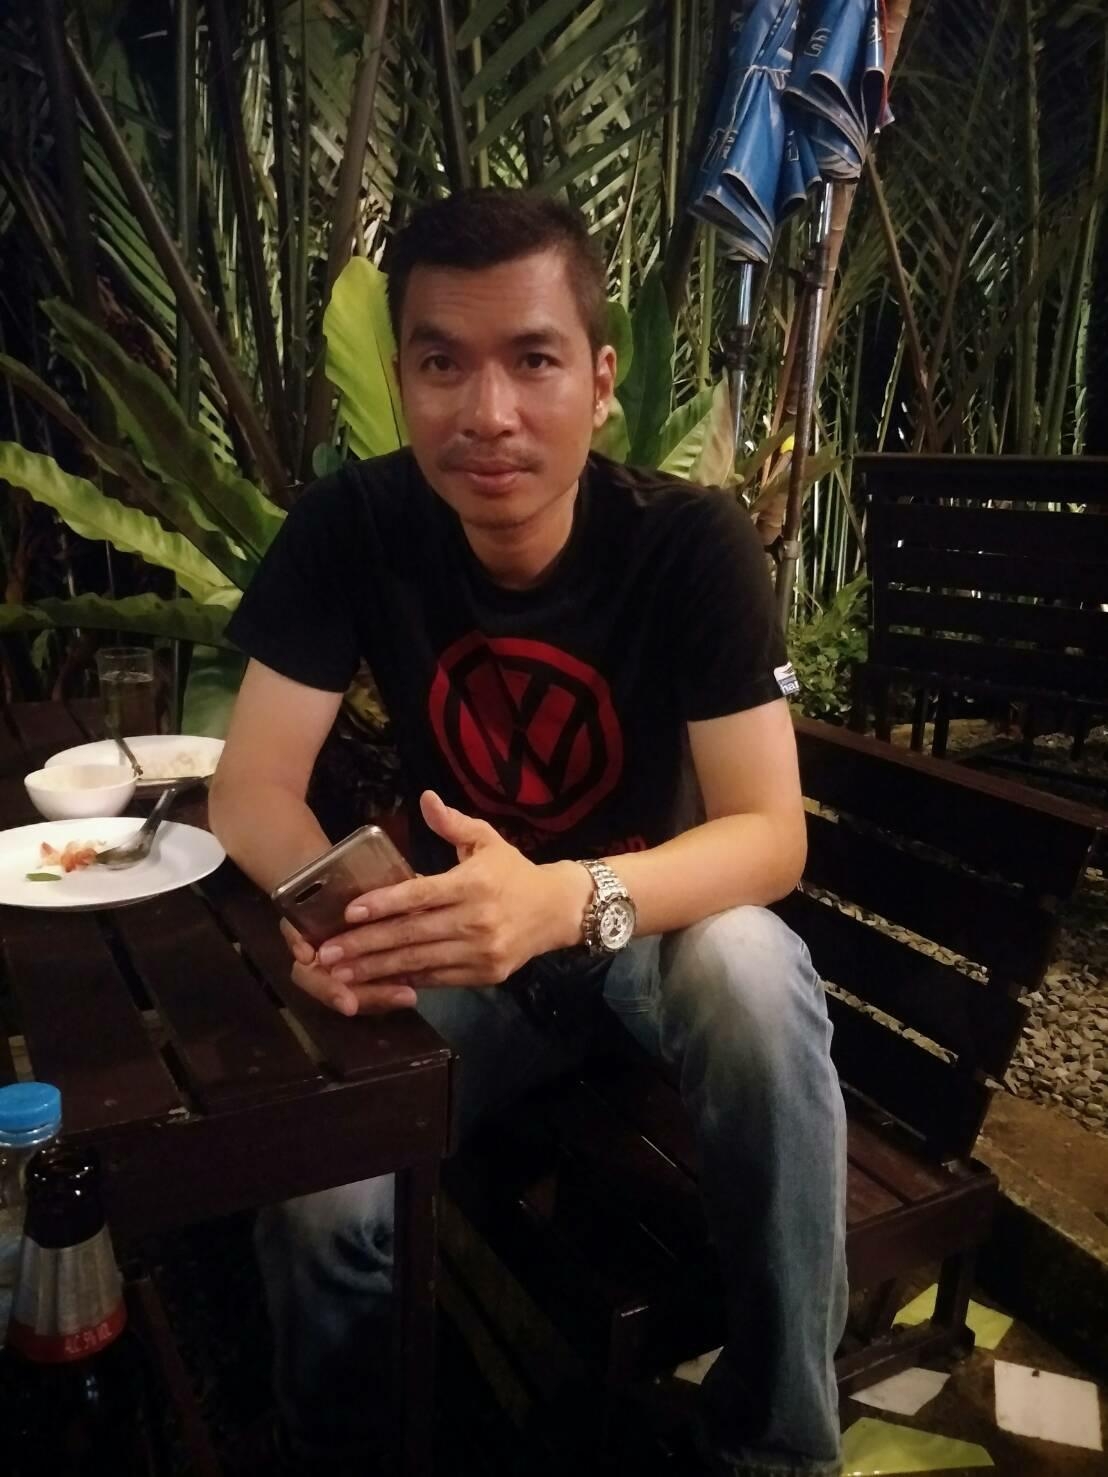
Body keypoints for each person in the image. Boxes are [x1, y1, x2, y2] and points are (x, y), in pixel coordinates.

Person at [210, 187, 847, 1477]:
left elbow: (770, 837)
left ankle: (783, 1449)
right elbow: (252, 791)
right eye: (443, 364)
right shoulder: (355, 525)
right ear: (402, 381)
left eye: (534, 360)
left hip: (649, 936)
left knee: (750, 964)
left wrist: (566, 899)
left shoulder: (690, 545)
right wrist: (349, 920)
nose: (487, 412)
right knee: (317, 1190)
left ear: (601, 383)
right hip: (464, 949)